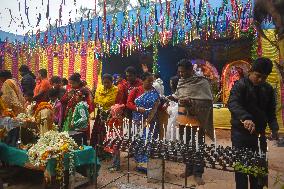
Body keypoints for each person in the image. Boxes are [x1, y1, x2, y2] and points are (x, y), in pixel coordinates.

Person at [228, 57, 279, 189]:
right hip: (240, 134)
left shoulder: (267, 89)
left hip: (259, 134)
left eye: (264, 77)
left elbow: (270, 111)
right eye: (258, 76)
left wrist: (274, 128)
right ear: (250, 71)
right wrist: (245, 118)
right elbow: (233, 103)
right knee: (242, 168)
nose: (261, 80)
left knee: (259, 168)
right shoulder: (240, 85)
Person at [169, 59, 213, 185]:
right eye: (179, 72)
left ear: (190, 70)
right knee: (185, 145)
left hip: (197, 120)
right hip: (183, 119)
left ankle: (198, 173)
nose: (181, 74)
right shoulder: (181, 81)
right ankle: (189, 169)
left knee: (198, 146)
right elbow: (179, 94)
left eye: (183, 72)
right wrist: (173, 97)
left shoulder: (202, 82)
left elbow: (207, 101)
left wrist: (190, 102)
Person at [127, 72, 160, 173]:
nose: (151, 83)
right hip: (137, 121)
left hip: (150, 121)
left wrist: (148, 119)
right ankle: (139, 165)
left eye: (152, 81)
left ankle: (147, 166)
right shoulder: (136, 90)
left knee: (148, 142)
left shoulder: (154, 92)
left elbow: (156, 105)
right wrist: (137, 108)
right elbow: (128, 103)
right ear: (143, 80)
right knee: (139, 142)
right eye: (149, 81)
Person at [91, 74, 118, 151]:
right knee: (99, 132)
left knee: (108, 132)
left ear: (112, 82)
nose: (106, 84)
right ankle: (98, 150)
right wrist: (100, 106)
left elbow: (115, 101)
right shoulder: (99, 89)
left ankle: (108, 151)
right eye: (104, 82)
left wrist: (108, 109)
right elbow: (96, 100)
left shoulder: (116, 90)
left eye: (108, 82)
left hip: (111, 114)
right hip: (100, 113)